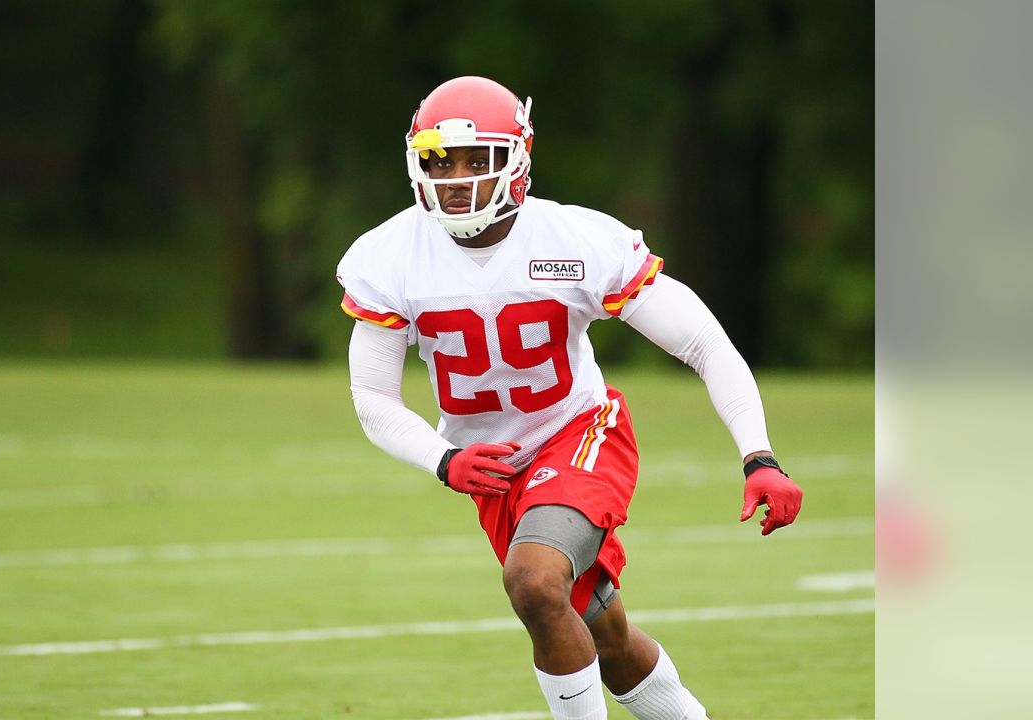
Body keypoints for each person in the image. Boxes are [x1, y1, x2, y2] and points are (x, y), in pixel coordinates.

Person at [337, 75, 803, 720]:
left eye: (481, 159)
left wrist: (760, 455)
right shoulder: (388, 255)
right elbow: (372, 396)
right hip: (492, 469)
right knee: (604, 638)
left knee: (532, 582)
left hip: (580, 431)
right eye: (441, 161)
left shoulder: (576, 240)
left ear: (518, 161)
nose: (459, 178)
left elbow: (703, 343)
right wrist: (443, 459)